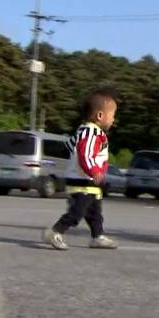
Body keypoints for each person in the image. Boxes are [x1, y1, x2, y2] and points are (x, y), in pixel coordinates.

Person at [43, 88, 120, 250]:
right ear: (100, 115)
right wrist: (94, 172)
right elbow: (86, 154)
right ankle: (55, 231)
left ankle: (97, 236)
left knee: (95, 213)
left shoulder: (83, 131)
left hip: (89, 183)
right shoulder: (92, 132)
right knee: (76, 212)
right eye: (112, 115)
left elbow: (70, 146)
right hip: (83, 182)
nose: (113, 119)